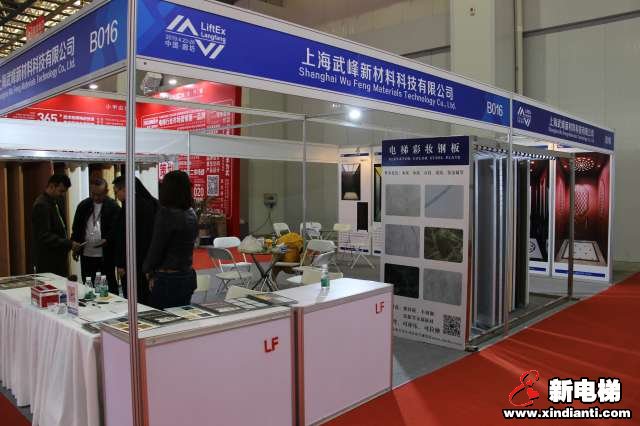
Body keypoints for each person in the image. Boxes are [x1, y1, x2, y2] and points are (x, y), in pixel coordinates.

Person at [143, 170, 198, 309]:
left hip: (168, 278)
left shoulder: (166, 214)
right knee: (181, 316)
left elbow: (157, 247)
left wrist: (148, 270)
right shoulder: (191, 213)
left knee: (161, 318)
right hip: (187, 274)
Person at [112, 176, 158, 304]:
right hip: (148, 261)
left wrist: (121, 263)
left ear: (125, 189)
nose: (116, 196)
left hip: (132, 262)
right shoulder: (152, 203)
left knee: (134, 299)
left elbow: (122, 237)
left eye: (116, 192)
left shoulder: (130, 207)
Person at [70, 178, 121, 293]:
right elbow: (76, 228)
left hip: (105, 254)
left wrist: (107, 239)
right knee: (88, 285)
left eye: (99, 194)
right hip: (87, 253)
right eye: (93, 194)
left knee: (108, 286)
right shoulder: (83, 205)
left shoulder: (113, 206)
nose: (96, 197)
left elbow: (117, 230)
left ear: (106, 192)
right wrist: (75, 246)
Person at [31, 174, 81, 277]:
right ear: (52, 186)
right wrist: (69, 243)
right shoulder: (42, 205)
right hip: (48, 260)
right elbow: (45, 235)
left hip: (58, 258)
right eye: (61, 191)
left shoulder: (54, 202)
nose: (62, 195)